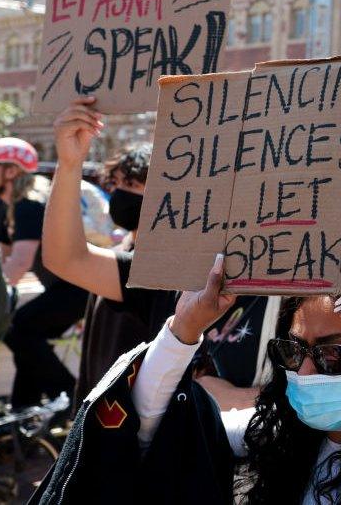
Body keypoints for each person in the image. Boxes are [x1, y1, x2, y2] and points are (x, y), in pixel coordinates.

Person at [33, 265, 341, 504]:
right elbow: (140, 428)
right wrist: (183, 330)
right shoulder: (272, 441)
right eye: (295, 352)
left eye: (336, 354)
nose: (308, 372)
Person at [43, 98, 274, 411]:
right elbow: (66, 258)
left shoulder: (302, 290)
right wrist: (70, 162)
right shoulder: (166, 272)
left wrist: (241, 398)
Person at [0, 135, 90, 408]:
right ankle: (24, 413)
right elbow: (1, 262)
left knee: (17, 328)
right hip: (65, 288)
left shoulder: (29, 203)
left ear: (11, 171)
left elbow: (19, 263)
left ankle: (70, 401)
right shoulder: (9, 208)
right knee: (27, 340)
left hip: (80, 287)